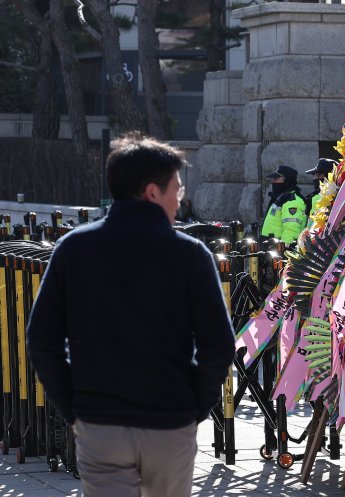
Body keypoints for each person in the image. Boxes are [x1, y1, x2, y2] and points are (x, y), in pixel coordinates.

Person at [26, 134, 235, 497]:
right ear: (153, 192)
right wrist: (196, 407)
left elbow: (42, 339)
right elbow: (218, 344)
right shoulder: (189, 255)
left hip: (99, 421)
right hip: (169, 422)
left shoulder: (74, 249)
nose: (179, 199)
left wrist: (72, 407)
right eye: (177, 189)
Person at [260, 164, 307, 245]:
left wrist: (282, 252)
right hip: (271, 248)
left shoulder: (292, 201)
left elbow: (291, 232)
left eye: (276, 178)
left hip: (277, 250)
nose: (273, 181)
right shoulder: (281, 198)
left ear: (287, 180)